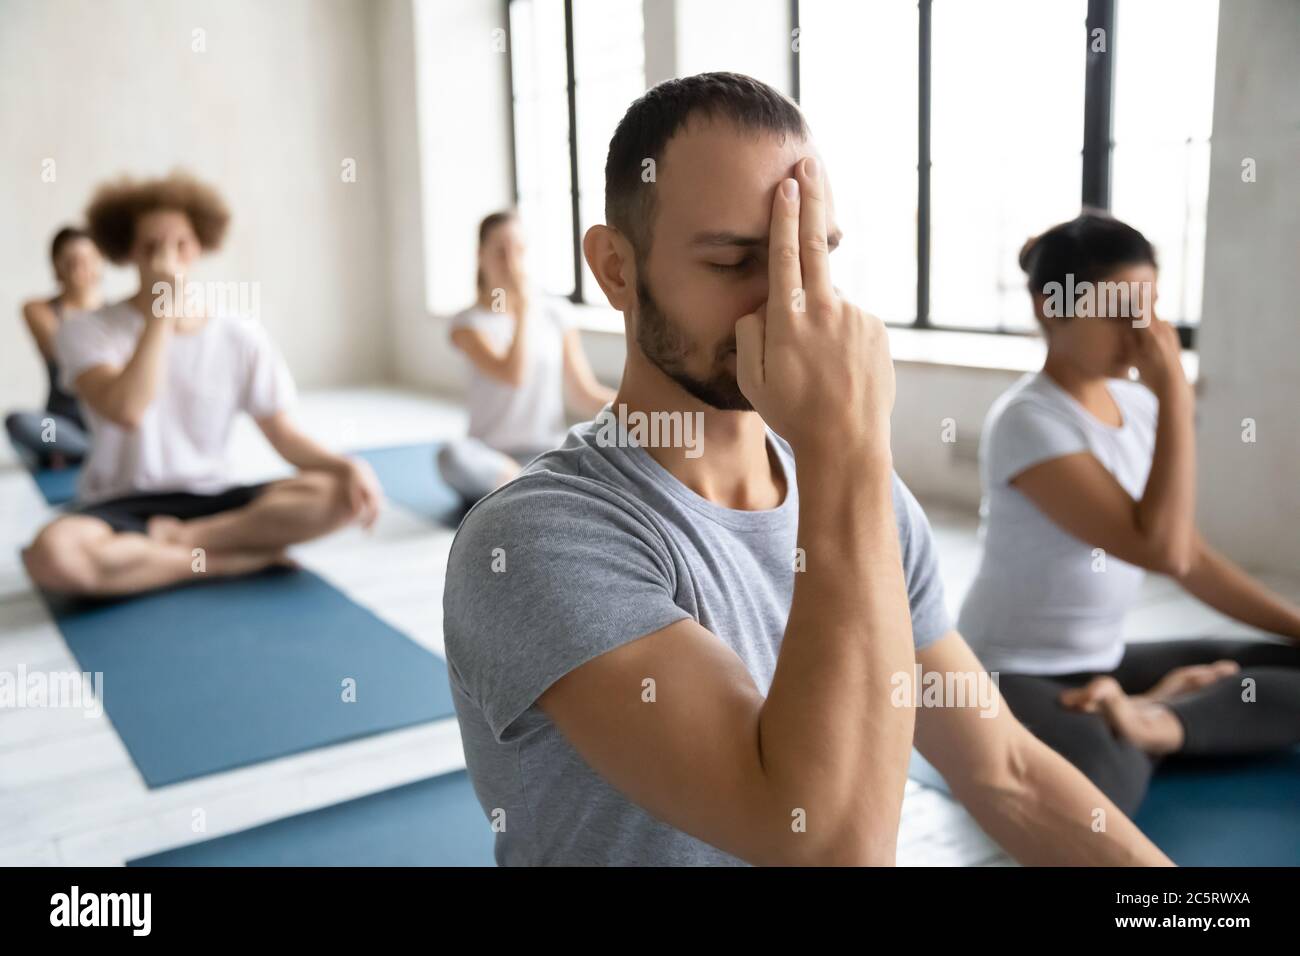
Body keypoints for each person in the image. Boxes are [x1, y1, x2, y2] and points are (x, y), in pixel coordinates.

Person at [442, 73, 1170, 866]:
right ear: (617, 268)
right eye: (733, 262)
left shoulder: (864, 501)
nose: (788, 305)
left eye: (808, 257)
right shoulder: (536, 538)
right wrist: (847, 444)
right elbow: (827, 845)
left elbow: (1008, 774)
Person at [958, 212, 1300, 816]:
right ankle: (1159, 720)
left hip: (1107, 661)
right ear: (1050, 306)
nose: (1141, 331)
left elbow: (1187, 553)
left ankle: (1149, 713)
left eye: (1149, 307)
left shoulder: (1137, 405)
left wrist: (1295, 624)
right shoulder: (1029, 421)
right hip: (1013, 674)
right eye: (1119, 310)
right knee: (1103, 790)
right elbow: (1162, 551)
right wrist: (1177, 396)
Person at [20, 171, 383, 598]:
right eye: (151, 246)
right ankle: (225, 561)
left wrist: (347, 465)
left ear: (200, 247)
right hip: (121, 502)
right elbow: (127, 410)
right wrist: (162, 311)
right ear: (128, 251)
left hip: (216, 498)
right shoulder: (85, 330)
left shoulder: (238, 334)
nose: (167, 258)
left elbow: (283, 435)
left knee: (341, 494)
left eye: (179, 244)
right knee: (52, 556)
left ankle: (180, 546)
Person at [436, 210, 614, 503]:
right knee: (451, 456)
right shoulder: (466, 325)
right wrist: (521, 311)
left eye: (518, 250)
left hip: (549, 449)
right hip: (491, 457)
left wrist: (639, 411)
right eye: (500, 252)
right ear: (481, 256)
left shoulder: (556, 313)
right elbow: (513, 375)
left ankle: (526, 490)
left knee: (606, 446)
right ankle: (534, 486)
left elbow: (583, 392)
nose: (511, 262)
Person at [6, 227, 103, 469]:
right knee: (18, 422)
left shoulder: (117, 314)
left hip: (104, 418)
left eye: (87, 260)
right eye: (71, 262)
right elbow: (66, 353)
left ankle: (81, 451)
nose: (81, 269)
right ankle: (94, 450)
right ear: (57, 267)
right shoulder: (38, 309)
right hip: (62, 422)